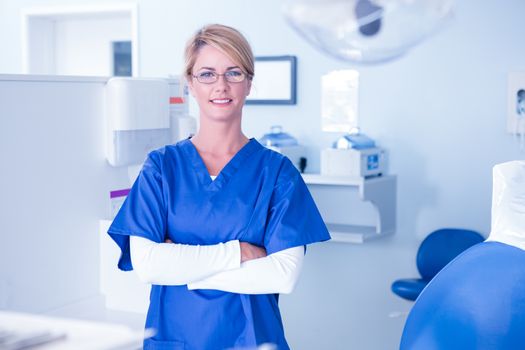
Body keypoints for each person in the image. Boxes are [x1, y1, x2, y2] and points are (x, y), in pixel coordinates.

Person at [107, 24, 330, 350]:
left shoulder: (277, 172)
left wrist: (182, 268)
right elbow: (148, 265)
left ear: (249, 83)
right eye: (207, 74)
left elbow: (283, 275)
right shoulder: (162, 167)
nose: (221, 86)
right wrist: (237, 252)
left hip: (252, 339)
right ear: (190, 84)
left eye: (234, 73)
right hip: (175, 337)